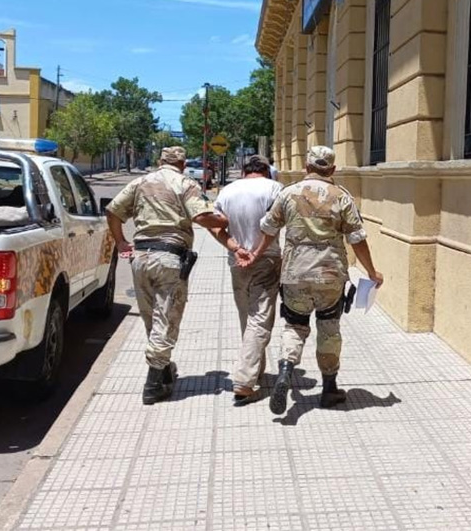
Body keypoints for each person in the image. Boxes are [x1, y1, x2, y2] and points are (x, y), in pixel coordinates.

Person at [245, 145, 383, 415]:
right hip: (330, 275)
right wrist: (371, 272)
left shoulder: (287, 193)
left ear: (306, 167)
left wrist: (254, 255)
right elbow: (357, 238)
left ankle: (286, 368)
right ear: (331, 169)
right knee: (329, 327)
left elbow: (269, 229)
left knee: (295, 326)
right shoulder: (342, 196)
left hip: (295, 272)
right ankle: (329, 388)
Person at [106, 146, 229, 405]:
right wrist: (224, 221)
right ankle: (152, 385)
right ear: (183, 164)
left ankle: (162, 371)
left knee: (152, 317)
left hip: (140, 258)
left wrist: (120, 242)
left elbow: (113, 211)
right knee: (167, 319)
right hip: (169, 258)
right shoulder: (185, 183)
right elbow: (202, 216)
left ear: (160, 161)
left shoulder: (140, 182)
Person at [210, 155, 283, 403]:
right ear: (267, 172)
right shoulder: (274, 189)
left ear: (244, 172)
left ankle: (255, 370)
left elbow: (213, 224)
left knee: (247, 317)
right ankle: (244, 380)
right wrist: (256, 253)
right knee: (260, 319)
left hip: (238, 262)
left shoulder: (228, 191)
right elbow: (273, 227)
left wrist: (235, 248)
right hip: (266, 261)